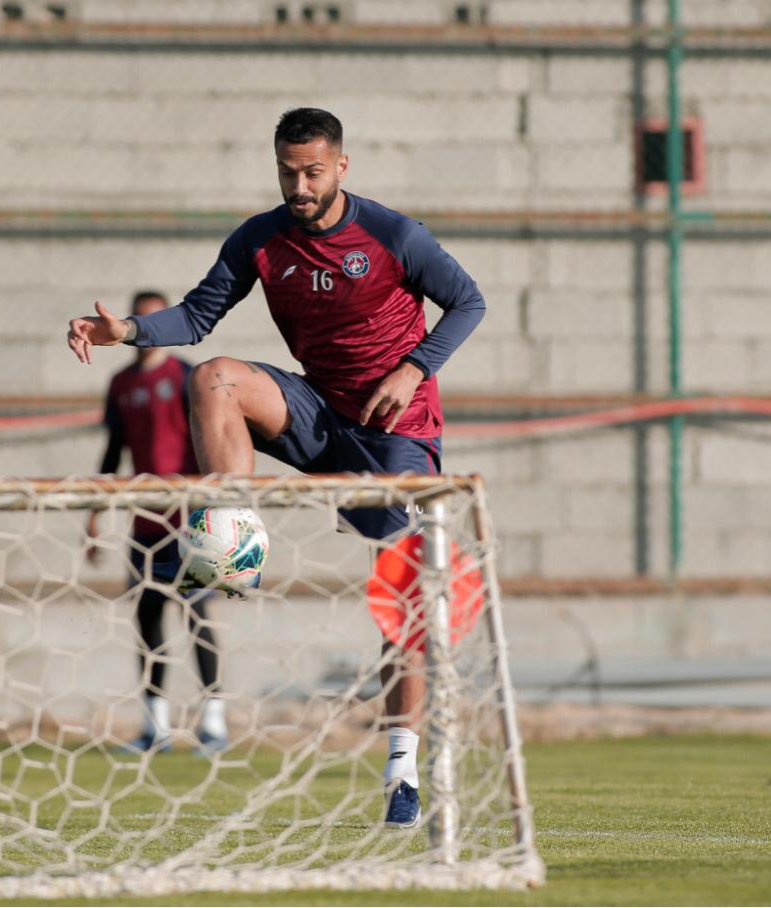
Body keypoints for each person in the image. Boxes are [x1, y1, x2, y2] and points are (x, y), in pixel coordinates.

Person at [66, 108, 486, 828]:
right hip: (319, 416)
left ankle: (403, 773)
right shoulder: (262, 239)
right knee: (211, 379)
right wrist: (128, 331)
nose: (299, 184)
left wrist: (415, 370)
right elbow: (197, 318)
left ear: (341, 168)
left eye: (313, 171)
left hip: (395, 434)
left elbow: (469, 301)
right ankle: (232, 549)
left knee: (400, 604)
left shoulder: (393, 235)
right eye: (288, 171)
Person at [86, 290, 229, 755]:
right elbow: (113, 452)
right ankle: (156, 725)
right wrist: (96, 512)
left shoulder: (189, 378)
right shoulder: (121, 384)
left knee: (198, 614)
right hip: (145, 520)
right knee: (148, 617)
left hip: (190, 519)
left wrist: (218, 506)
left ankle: (213, 722)